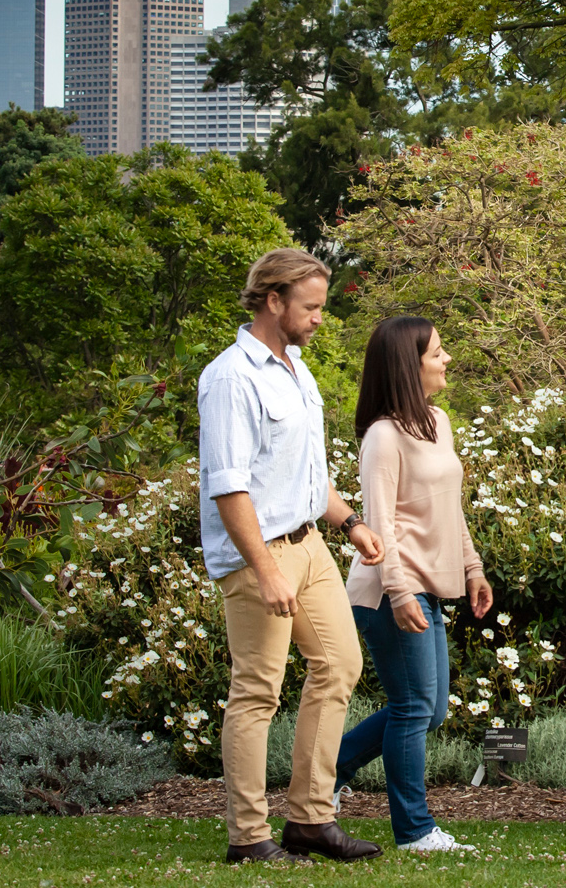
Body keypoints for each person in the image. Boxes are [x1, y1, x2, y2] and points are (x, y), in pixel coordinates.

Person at [200, 248, 386, 864]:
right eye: (310, 307)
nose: (319, 318)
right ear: (272, 301)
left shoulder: (298, 371)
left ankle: (310, 820)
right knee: (257, 691)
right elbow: (229, 485)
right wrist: (265, 568)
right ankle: (248, 836)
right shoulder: (232, 377)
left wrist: (351, 522)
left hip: (309, 544)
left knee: (340, 665)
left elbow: (304, 476)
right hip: (262, 556)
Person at [336, 315, 494, 853]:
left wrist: (472, 567)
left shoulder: (437, 421)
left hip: (426, 583)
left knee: (431, 709)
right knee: (412, 708)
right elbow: (380, 525)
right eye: (437, 353)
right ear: (411, 364)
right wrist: (399, 592)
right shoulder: (383, 437)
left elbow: (449, 509)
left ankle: (324, 775)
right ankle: (415, 830)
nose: (447, 359)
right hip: (386, 589)